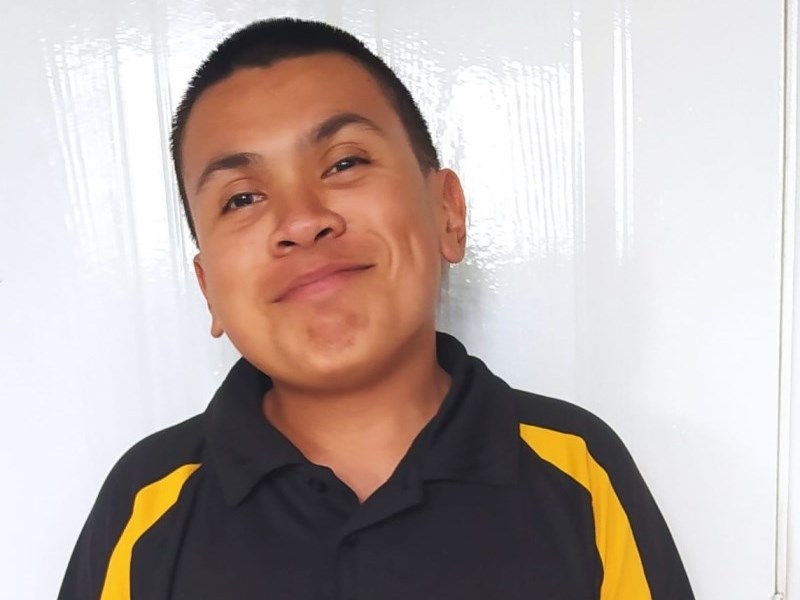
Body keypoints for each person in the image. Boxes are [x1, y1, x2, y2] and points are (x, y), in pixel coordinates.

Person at [58, 17, 694, 600]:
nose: (302, 221)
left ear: (447, 212)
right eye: (243, 198)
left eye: (344, 162)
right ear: (208, 288)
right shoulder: (146, 506)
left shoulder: (579, 474)